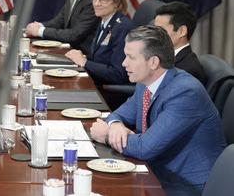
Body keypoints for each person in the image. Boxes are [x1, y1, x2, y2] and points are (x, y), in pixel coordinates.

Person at [89, 25, 225, 194]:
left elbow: (145, 148)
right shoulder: (145, 82)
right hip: (156, 168)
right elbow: (118, 114)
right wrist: (116, 125)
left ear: (153, 62)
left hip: (184, 184)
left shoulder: (185, 92)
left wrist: (108, 135)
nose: (124, 63)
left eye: (131, 57)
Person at [65, 0, 132, 85]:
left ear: (117, 3)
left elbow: (118, 74)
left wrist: (85, 62)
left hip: (108, 92)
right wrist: (82, 57)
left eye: (102, 0)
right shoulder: (104, 21)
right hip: (95, 81)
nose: (96, 4)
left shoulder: (122, 28)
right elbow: (99, 58)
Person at [154, 1, 206, 85]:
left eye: (161, 30)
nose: (154, 34)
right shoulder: (160, 55)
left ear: (182, 31)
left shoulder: (189, 71)